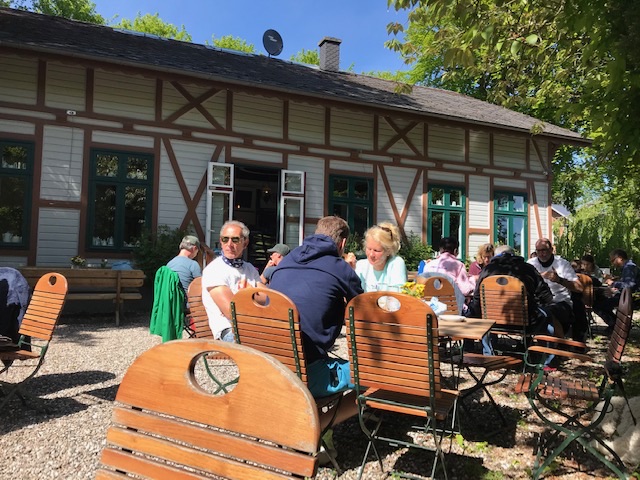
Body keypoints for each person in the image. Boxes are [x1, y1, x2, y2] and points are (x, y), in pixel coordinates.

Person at [269, 216, 363, 430]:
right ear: (343, 244)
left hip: (270, 368)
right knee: (376, 375)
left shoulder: (287, 261)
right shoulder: (340, 268)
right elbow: (362, 312)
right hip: (308, 374)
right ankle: (313, 429)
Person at [467, 245, 555, 356]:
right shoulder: (527, 268)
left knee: (483, 314)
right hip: (527, 322)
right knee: (547, 316)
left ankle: (488, 354)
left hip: (492, 322)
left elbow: (477, 298)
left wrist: (477, 315)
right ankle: (547, 359)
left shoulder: (487, 270)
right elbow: (545, 295)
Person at [201, 220, 261, 342]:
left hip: (252, 328)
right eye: (225, 239)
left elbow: (269, 298)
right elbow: (232, 313)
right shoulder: (214, 270)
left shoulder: (249, 268)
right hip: (229, 331)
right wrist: (252, 296)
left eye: (235, 240)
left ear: (245, 243)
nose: (229, 244)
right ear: (221, 241)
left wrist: (247, 297)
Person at [527, 238, 585, 341]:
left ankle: (558, 346)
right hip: (538, 301)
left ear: (551, 250)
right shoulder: (531, 264)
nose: (541, 254)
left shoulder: (562, 264)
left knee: (547, 312)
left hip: (560, 302)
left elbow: (580, 288)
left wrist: (559, 280)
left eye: (544, 250)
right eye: (538, 251)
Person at [354, 222, 407, 292]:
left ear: (388, 251)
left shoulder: (396, 263)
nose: (371, 254)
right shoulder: (361, 266)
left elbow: (397, 295)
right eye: (369, 249)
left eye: (377, 251)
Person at [595, 248, 639, 330]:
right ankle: (617, 325)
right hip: (627, 296)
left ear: (620, 258)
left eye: (613, 260)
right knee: (603, 301)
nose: (612, 263)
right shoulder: (628, 266)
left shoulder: (629, 267)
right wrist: (615, 288)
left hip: (631, 298)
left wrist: (613, 283)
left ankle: (616, 326)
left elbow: (629, 286)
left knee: (598, 306)